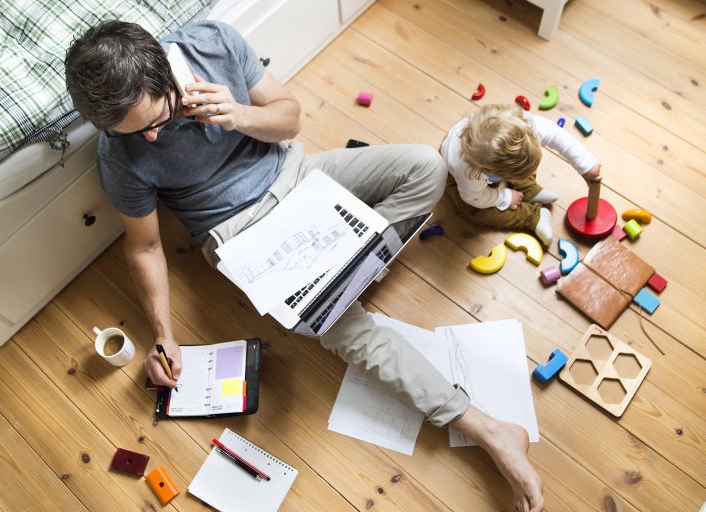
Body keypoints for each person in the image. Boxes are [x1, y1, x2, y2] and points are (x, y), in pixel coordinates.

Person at [64, 20, 544, 511]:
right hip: (240, 232)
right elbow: (144, 247)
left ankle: (344, 277)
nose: (150, 136)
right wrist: (163, 334)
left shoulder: (210, 43)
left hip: (298, 174)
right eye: (134, 132)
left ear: (166, 73)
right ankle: (486, 427)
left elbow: (289, 118)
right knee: (333, 322)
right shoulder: (119, 154)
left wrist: (238, 115)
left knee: (426, 166)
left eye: (157, 120)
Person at [440, 103, 602, 246]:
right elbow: (475, 198)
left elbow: (555, 134)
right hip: (460, 179)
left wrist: (585, 164)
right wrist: (504, 197)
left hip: (493, 163)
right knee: (473, 212)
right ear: (495, 173)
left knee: (525, 160)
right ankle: (531, 217)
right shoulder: (469, 174)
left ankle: (528, 188)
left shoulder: (523, 125)